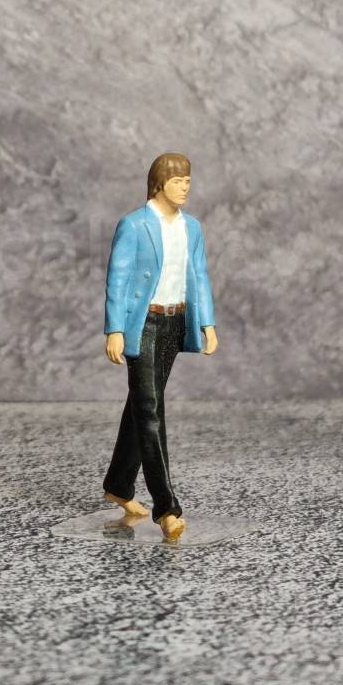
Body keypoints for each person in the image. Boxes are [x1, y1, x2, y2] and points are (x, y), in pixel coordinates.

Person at [101, 152, 218, 542]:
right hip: (144, 323)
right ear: (159, 183)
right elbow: (117, 278)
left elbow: (199, 274)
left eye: (188, 180)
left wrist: (207, 322)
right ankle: (166, 508)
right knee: (151, 412)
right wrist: (115, 329)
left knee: (142, 405)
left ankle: (118, 484)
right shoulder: (134, 224)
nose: (185, 186)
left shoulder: (192, 228)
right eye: (178, 180)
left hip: (175, 321)